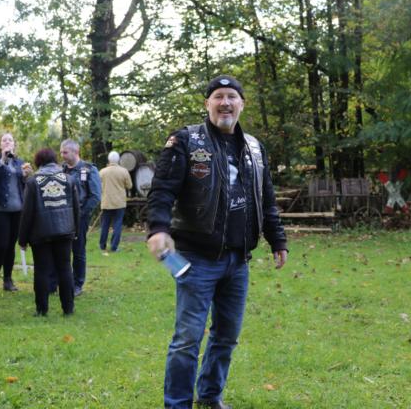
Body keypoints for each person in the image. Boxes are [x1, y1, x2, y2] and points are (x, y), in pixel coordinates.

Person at [146, 75, 288, 409]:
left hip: (238, 261)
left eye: (231, 97)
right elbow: (162, 190)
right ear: (207, 103)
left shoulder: (254, 148)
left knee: (227, 336)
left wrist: (277, 238)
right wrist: (158, 229)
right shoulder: (185, 140)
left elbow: (266, 198)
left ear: (242, 104)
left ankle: (210, 396)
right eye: (218, 96)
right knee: (187, 339)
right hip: (196, 259)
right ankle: (177, 404)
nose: (225, 103)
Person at [18, 148, 80, 317]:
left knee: (42, 270)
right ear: (55, 160)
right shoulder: (69, 179)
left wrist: (22, 239)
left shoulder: (33, 182)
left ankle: (42, 309)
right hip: (65, 231)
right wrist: (75, 230)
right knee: (65, 269)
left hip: (40, 233)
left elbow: (27, 213)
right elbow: (76, 207)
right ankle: (68, 308)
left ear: (38, 162)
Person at [0, 133, 33, 299]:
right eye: (4, 140)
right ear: (0, 145)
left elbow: (22, 185)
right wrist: (3, 161)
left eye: (10, 140)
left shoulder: (19, 162)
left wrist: (26, 176)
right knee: (1, 246)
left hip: (17, 210)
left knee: (11, 246)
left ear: (14, 145)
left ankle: (7, 280)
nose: (7, 142)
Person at [60, 139, 101, 296]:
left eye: (65, 152)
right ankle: (63, 281)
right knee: (62, 250)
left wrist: (81, 214)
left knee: (78, 251)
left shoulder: (89, 170)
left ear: (75, 152)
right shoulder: (61, 170)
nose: (62, 155)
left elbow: (95, 196)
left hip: (80, 218)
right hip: (61, 217)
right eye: (61, 152)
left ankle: (77, 284)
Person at [98, 151, 132, 252]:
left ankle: (102, 245)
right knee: (117, 225)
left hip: (106, 202)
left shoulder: (102, 172)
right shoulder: (124, 171)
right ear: (118, 160)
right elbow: (129, 186)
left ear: (109, 160)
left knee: (105, 224)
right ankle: (114, 247)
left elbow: (98, 186)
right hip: (119, 202)